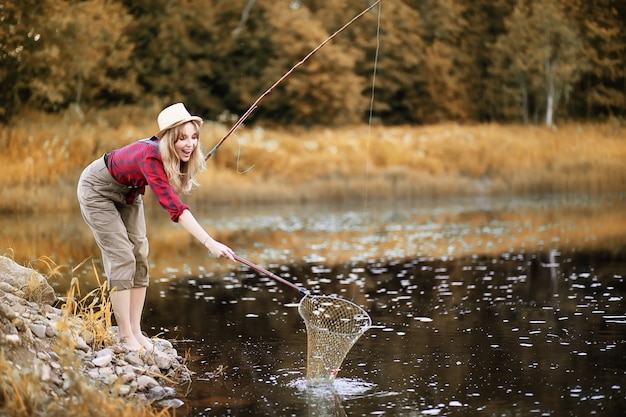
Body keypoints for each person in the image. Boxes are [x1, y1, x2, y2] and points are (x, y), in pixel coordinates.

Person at [77, 103, 235, 351]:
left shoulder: (170, 156)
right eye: (182, 138)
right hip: (97, 189)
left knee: (139, 252)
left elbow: (171, 184)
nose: (189, 144)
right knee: (121, 255)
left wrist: (183, 175)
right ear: (169, 138)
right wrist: (210, 242)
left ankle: (136, 332)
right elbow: (175, 208)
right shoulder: (150, 155)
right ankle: (125, 336)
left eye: (194, 137)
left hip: (129, 194)